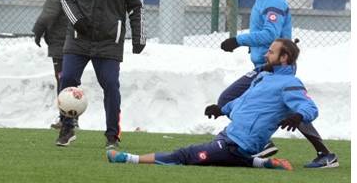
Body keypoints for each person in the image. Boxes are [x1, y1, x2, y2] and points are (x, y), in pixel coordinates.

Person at [108, 39, 325, 171]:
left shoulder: (290, 84)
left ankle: (129, 159)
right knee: (216, 158)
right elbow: (244, 103)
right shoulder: (264, 76)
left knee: (186, 155)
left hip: (239, 144)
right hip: (229, 137)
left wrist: (298, 116)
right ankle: (264, 163)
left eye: (271, 51)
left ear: (284, 57)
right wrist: (222, 110)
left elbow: (310, 107)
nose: (267, 54)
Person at [217, 0, 338, 168]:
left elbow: (269, 35)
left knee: (231, 98)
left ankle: (320, 153)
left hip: (276, 67)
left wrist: (238, 40)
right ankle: (317, 153)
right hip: (264, 66)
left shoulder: (274, 2)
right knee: (286, 107)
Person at [57, 0, 145, 149]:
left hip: (108, 42)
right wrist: (78, 20)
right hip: (79, 37)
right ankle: (67, 127)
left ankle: (112, 136)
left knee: (111, 86)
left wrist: (139, 37)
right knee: (67, 79)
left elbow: (135, 7)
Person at [32, 0, 77, 129]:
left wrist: (38, 29)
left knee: (62, 80)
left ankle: (66, 118)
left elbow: (50, 12)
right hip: (78, 40)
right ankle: (72, 116)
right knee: (71, 80)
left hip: (60, 41)